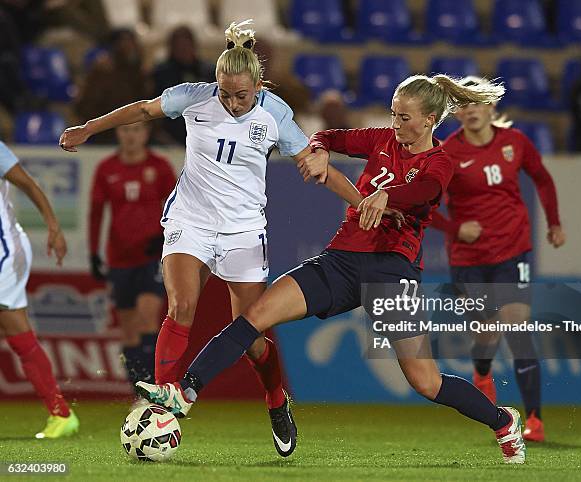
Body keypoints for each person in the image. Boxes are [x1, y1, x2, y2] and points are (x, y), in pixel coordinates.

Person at [134, 74, 528, 464]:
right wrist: (320, 148)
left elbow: (427, 191)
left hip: (392, 271)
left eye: (405, 118)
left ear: (429, 120)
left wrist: (387, 194)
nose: (395, 124)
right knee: (254, 317)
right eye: (393, 114)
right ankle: (184, 393)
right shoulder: (381, 140)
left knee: (425, 381)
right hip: (340, 260)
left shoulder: (440, 161)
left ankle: (501, 421)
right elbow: (328, 137)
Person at [59, 19, 344, 458]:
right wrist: (89, 128)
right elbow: (140, 110)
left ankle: (275, 399)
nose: (231, 102)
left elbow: (314, 164)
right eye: (224, 92)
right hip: (189, 219)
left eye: (241, 95)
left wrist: (360, 197)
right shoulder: (194, 97)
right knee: (181, 306)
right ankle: (162, 407)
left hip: (244, 229)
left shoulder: (276, 115)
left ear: (259, 85)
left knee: (250, 335)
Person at [430, 77, 566, 443]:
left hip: (513, 249)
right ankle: (482, 371)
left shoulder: (515, 143)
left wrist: (553, 223)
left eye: (478, 102)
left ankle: (535, 419)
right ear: (455, 112)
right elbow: (428, 205)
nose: (471, 109)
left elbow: (543, 179)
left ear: (491, 106)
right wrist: (457, 228)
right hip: (469, 257)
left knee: (518, 328)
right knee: (486, 330)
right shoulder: (446, 153)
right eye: (463, 103)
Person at [89, 121, 176, 399]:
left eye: (136, 130)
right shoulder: (107, 169)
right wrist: (93, 253)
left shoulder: (160, 166)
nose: (131, 135)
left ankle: (152, 392)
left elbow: (178, 206)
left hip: (151, 256)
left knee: (148, 317)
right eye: (126, 130)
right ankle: (138, 394)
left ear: (146, 134)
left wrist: (165, 237)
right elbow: (96, 212)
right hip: (119, 259)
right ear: (118, 133)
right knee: (128, 331)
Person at [0, 141, 78, 439]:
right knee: (19, 336)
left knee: (18, 332)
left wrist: (53, 226)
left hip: (4, 254)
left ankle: (61, 414)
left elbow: (29, 185)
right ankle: (61, 414)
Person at [75, 28, 151, 144]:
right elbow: (84, 107)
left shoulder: (140, 74)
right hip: (104, 132)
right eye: (124, 42)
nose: (128, 47)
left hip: (137, 130)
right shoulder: (102, 72)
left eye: (131, 42)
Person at [153, 25, 216, 144]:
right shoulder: (161, 73)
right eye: (178, 46)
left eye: (186, 45)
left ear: (194, 46)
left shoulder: (209, 71)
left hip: (205, 136)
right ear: (171, 48)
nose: (183, 49)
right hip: (169, 138)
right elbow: (153, 106)